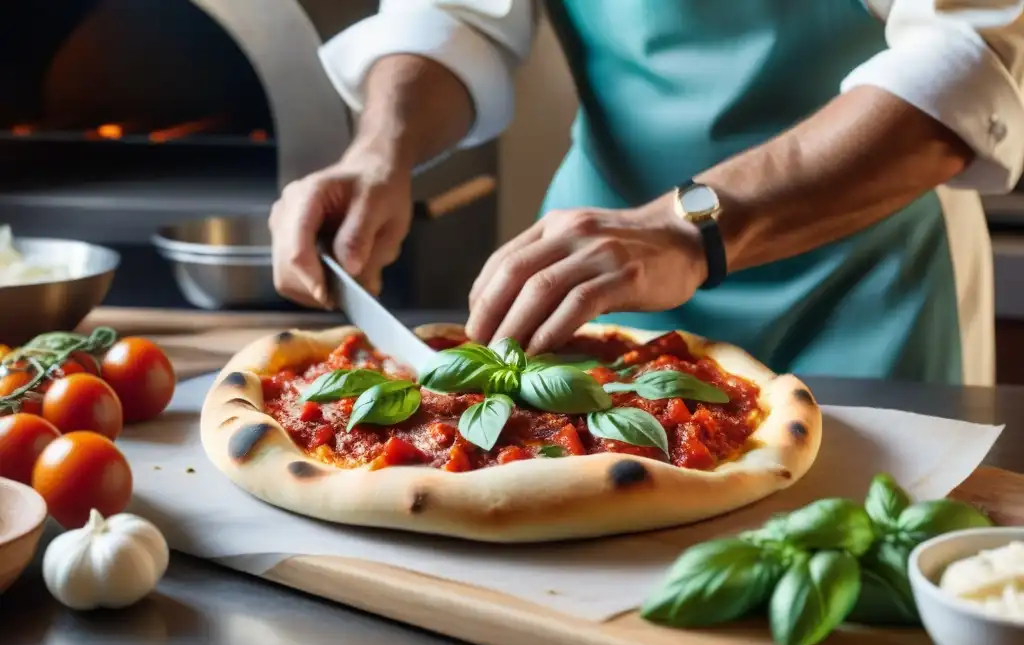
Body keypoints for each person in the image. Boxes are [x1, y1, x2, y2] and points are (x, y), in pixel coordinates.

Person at [269, 0, 1024, 387]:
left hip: (867, 284)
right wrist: (379, 153)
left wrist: (685, 227)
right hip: (592, 282)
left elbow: (969, 59)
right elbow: (456, 15)